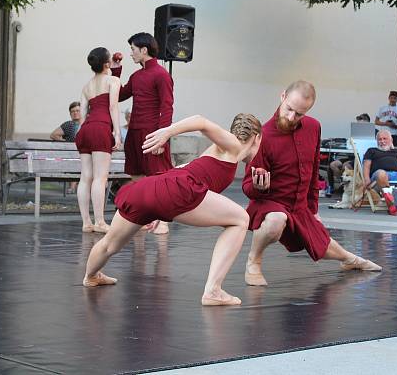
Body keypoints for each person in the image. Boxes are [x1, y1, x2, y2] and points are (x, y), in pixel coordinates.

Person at [83, 113, 262, 306]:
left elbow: (184, 169)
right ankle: (214, 290)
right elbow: (201, 121)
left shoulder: (215, 151)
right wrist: (167, 132)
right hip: (176, 191)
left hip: (153, 187)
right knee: (241, 219)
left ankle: (91, 276)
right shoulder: (234, 145)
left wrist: (160, 209)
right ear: (257, 137)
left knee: (110, 245)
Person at [244, 81, 382, 288]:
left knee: (322, 245)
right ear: (282, 96)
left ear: (308, 110)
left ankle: (350, 260)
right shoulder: (263, 135)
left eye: (299, 114)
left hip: (299, 206)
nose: (291, 118)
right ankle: (253, 262)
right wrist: (258, 187)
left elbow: (313, 169)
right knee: (276, 221)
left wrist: (313, 209)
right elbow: (247, 186)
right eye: (289, 109)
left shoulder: (313, 127)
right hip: (270, 202)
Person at [114, 32, 174, 234]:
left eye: (133, 49)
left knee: (159, 177)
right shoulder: (137, 75)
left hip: (153, 133)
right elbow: (120, 95)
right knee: (137, 176)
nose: (131, 53)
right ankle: (145, 217)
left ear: (144, 50)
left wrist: (162, 138)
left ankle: (163, 221)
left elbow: (167, 107)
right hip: (134, 133)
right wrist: (115, 71)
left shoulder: (161, 74)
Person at [74, 47, 122, 233]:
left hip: (85, 129)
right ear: (107, 64)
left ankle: (86, 222)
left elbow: (82, 115)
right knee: (100, 178)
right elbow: (113, 107)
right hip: (101, 127)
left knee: (85, 177)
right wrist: (117, 133)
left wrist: (80, 133)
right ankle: (100, 221)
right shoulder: (113, 81)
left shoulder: (86, 86)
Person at [328, 113, 372, 190]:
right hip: (351, 156)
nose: (358, 127)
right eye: (357, 124)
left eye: (360, 125)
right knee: (333, 164)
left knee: (346, 165)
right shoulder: (355, 133)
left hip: (362, 158)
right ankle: (343, 182)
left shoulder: (372, 133)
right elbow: (348, 146)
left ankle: (346, 183)